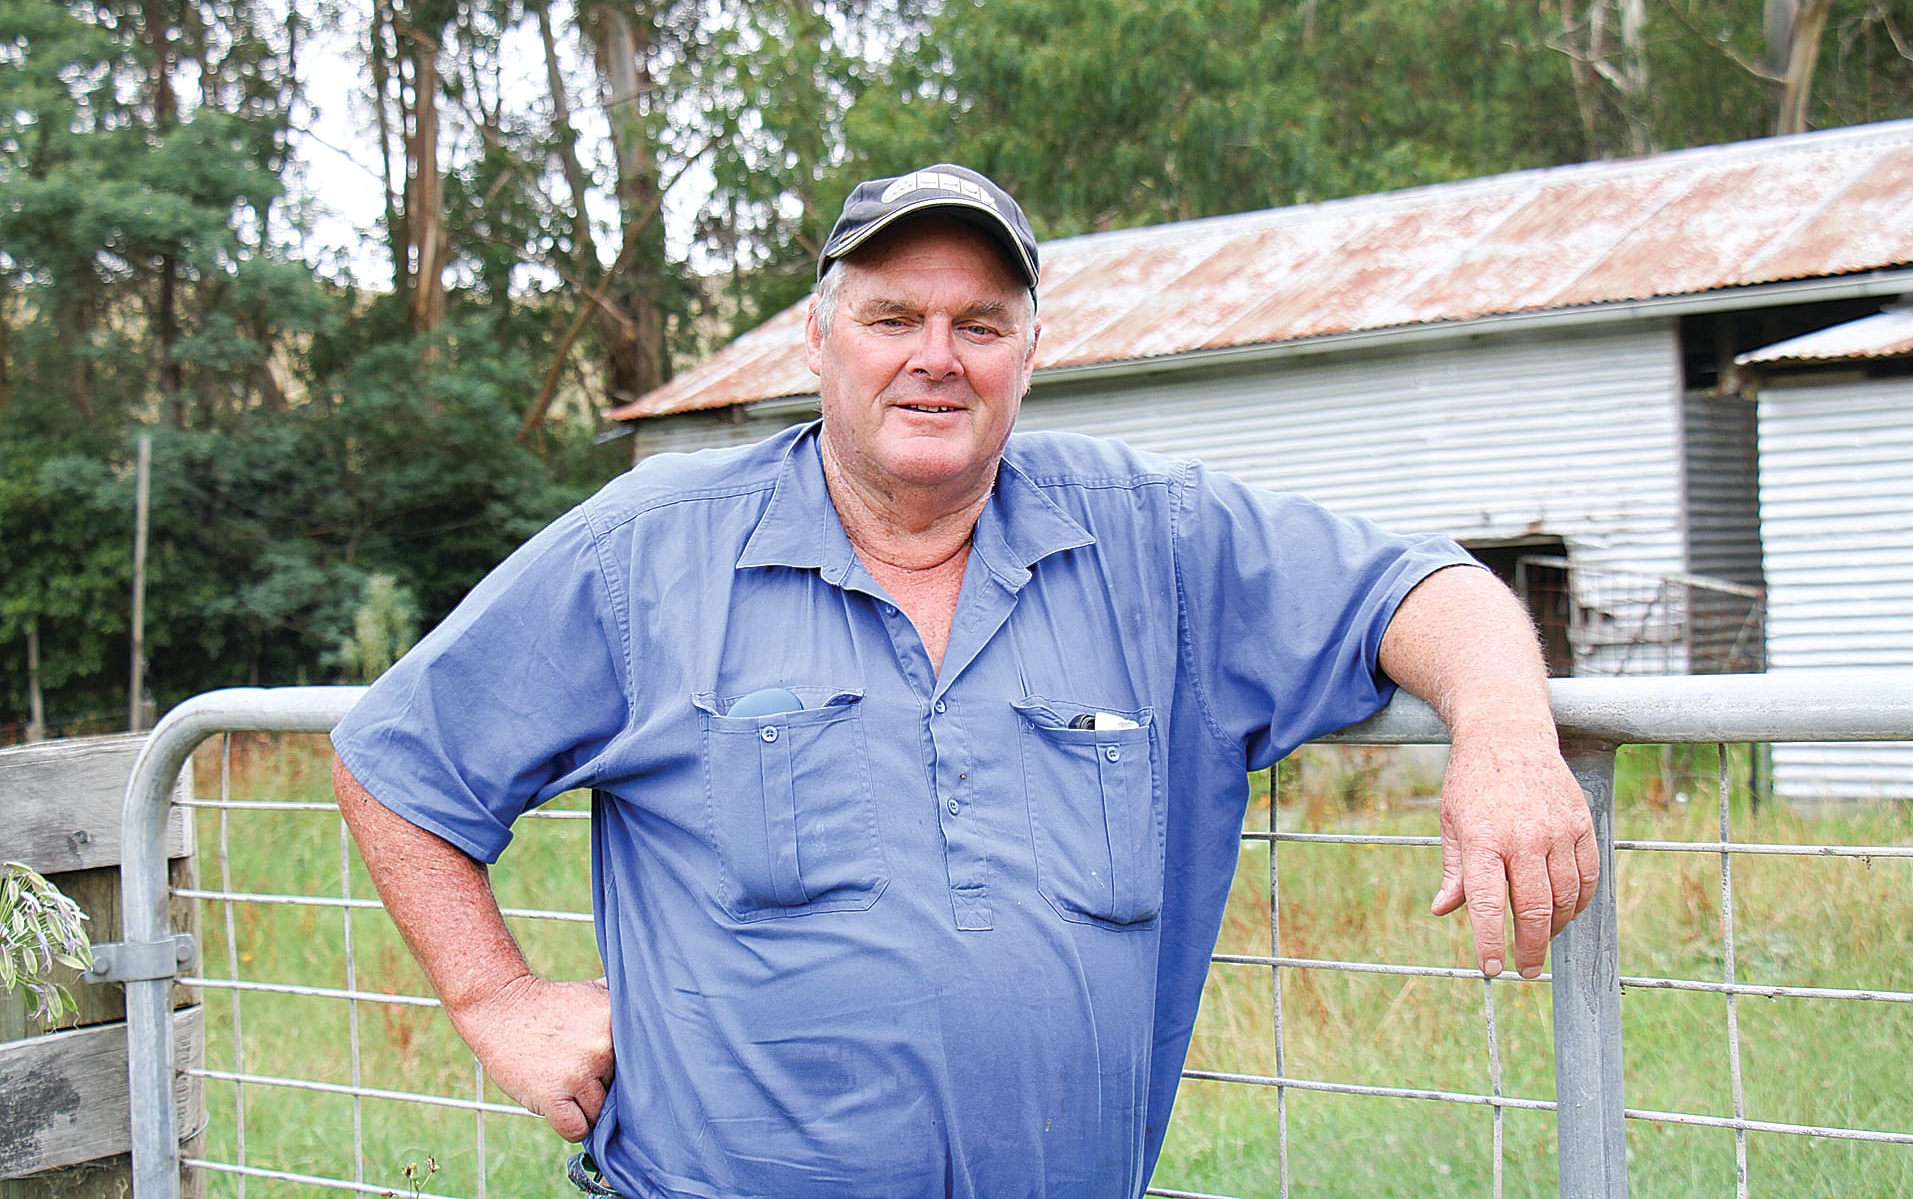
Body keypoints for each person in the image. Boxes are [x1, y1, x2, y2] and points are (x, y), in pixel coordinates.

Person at [331, 162, 1598, 1199]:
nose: (935, 356)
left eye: (978, 324)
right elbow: (398, 761)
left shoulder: (1153, 542)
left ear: (1026, 355)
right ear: (820, 340)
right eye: (892, 318)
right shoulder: (650, 547)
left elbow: (1424, 588)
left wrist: (1500, 734)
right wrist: (497, 998)